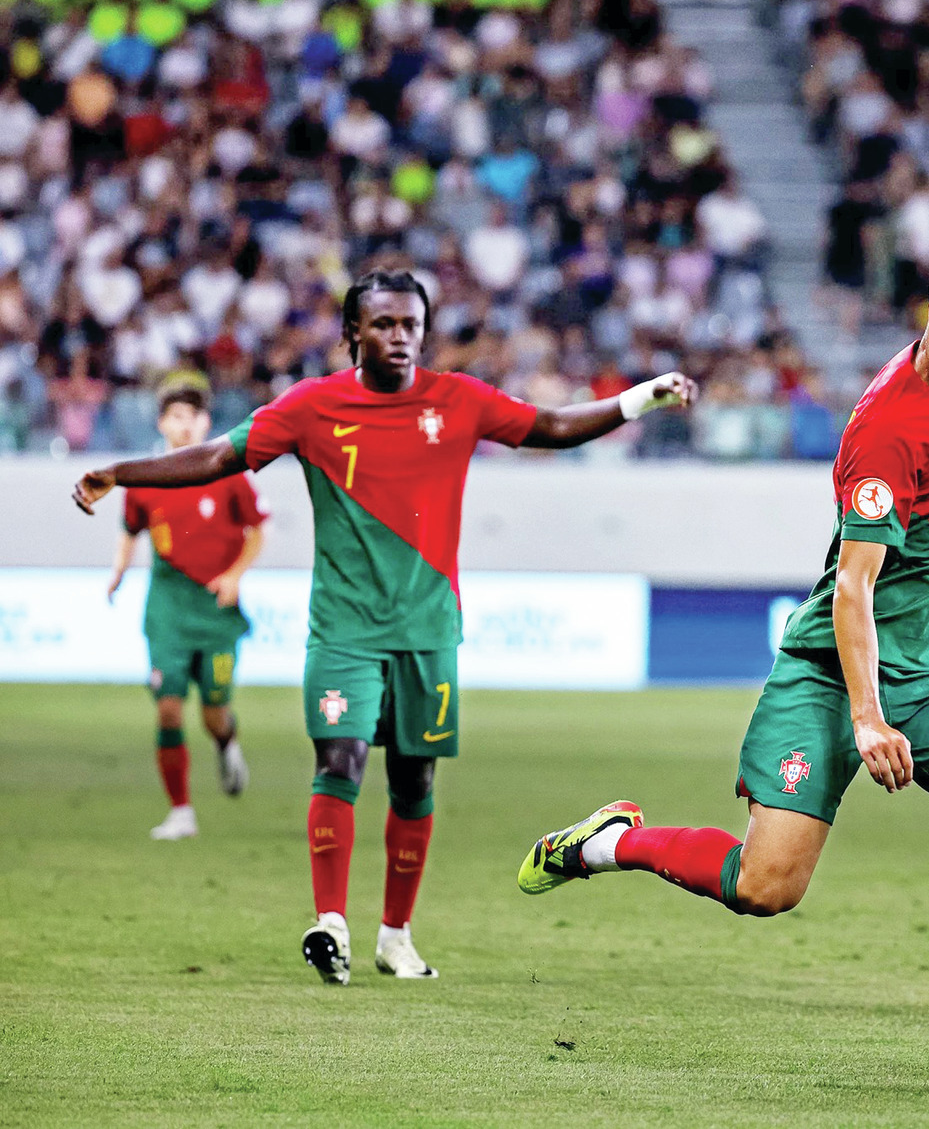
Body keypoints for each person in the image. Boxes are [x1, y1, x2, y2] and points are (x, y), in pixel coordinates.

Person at [513, 240, 929, 1080]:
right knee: (766, 886)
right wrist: (867, 714)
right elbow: (853, 588)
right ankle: (613, 842)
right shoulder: (886, 432)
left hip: (927, 669)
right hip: (834, 671)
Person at [74, 269, 695, 986]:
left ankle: (395, 937)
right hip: (343, 629)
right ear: (352, 334)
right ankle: (329, 921)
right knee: (339, 761)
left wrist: (642, 396)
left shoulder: (457, 399)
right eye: (385, 324)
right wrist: (121, 472)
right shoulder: (310, 407)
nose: (400, 337)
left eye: (411, 324)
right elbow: (218, 455)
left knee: (414, 780)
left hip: (428, 629)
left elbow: (549, 427)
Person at [107, 380, 266, 840]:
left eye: (191, 416)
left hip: (215, 611)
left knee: (214, 712)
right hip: (168, 610)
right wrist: (118, 570)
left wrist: (235, 575)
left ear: (205, 423)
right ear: (162, 423)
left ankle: (226, 741)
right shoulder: (146, 477)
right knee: (169, 710)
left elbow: (257, 531)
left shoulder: (229, 474)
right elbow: (130, 529)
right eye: (174, 416)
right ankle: (181, 811)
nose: (183, 425)